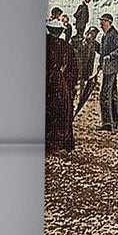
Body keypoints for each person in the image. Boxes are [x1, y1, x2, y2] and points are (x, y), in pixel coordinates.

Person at [45, 14, 79, 152]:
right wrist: (70, 85)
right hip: (59, 82)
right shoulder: (66, 47)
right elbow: (73, 70)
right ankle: (59, 141)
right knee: (61, 110)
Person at [96, 14, 118, 131]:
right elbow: (103, 51)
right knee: (113, 95)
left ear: (108, 22)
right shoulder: (106, 35)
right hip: (108, 68)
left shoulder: (113, 34)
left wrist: (110, 56)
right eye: (101, 21)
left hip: (111, 68)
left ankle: (108, 123)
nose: (101, 24)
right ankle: (117, 122)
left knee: (105, 95)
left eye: (103, 22)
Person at [74, 23, 100, 117]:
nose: (92, 36)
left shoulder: (94, 44)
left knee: (83, 85)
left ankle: (80, 102)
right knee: (78, 84)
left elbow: (102, 51)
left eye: (95, 35)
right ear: (87, 32)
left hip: (88, 69)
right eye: (91, 33)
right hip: (79, 67)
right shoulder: (79, 41)